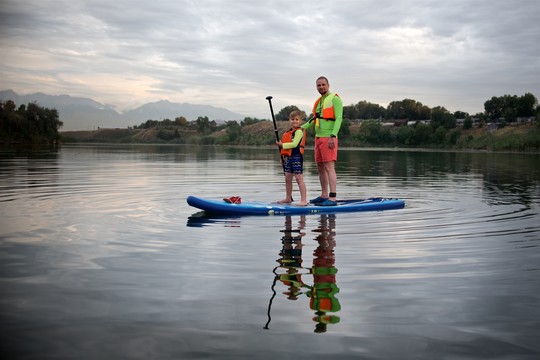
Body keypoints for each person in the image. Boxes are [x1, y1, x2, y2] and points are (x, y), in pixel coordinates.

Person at [302, 76, 343, 206]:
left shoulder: (335, 99)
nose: (321, 87)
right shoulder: (319, 101)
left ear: (328, 85)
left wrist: (333, 135)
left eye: (323, 85)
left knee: (329, 167)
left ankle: (332, 198)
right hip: (318, 138)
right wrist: (298, 128)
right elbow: (314, 119)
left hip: (329, 138)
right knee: (320, 168)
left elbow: (339, 119)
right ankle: (324, 195)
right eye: (318, 85)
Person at [276, 110, 308, 206]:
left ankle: (304, 200)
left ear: (300, 121)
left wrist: (282, 145)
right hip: (288, 158)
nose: (294, 121)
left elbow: (294, 144)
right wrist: (283, 157)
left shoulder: (299, 132)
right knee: (287, 178)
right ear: (289, 120)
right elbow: (286, 148)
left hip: (297, 157)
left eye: (297, 119)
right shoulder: (288, 132)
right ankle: (288, 198)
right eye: (292, 119)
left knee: (299, 178)